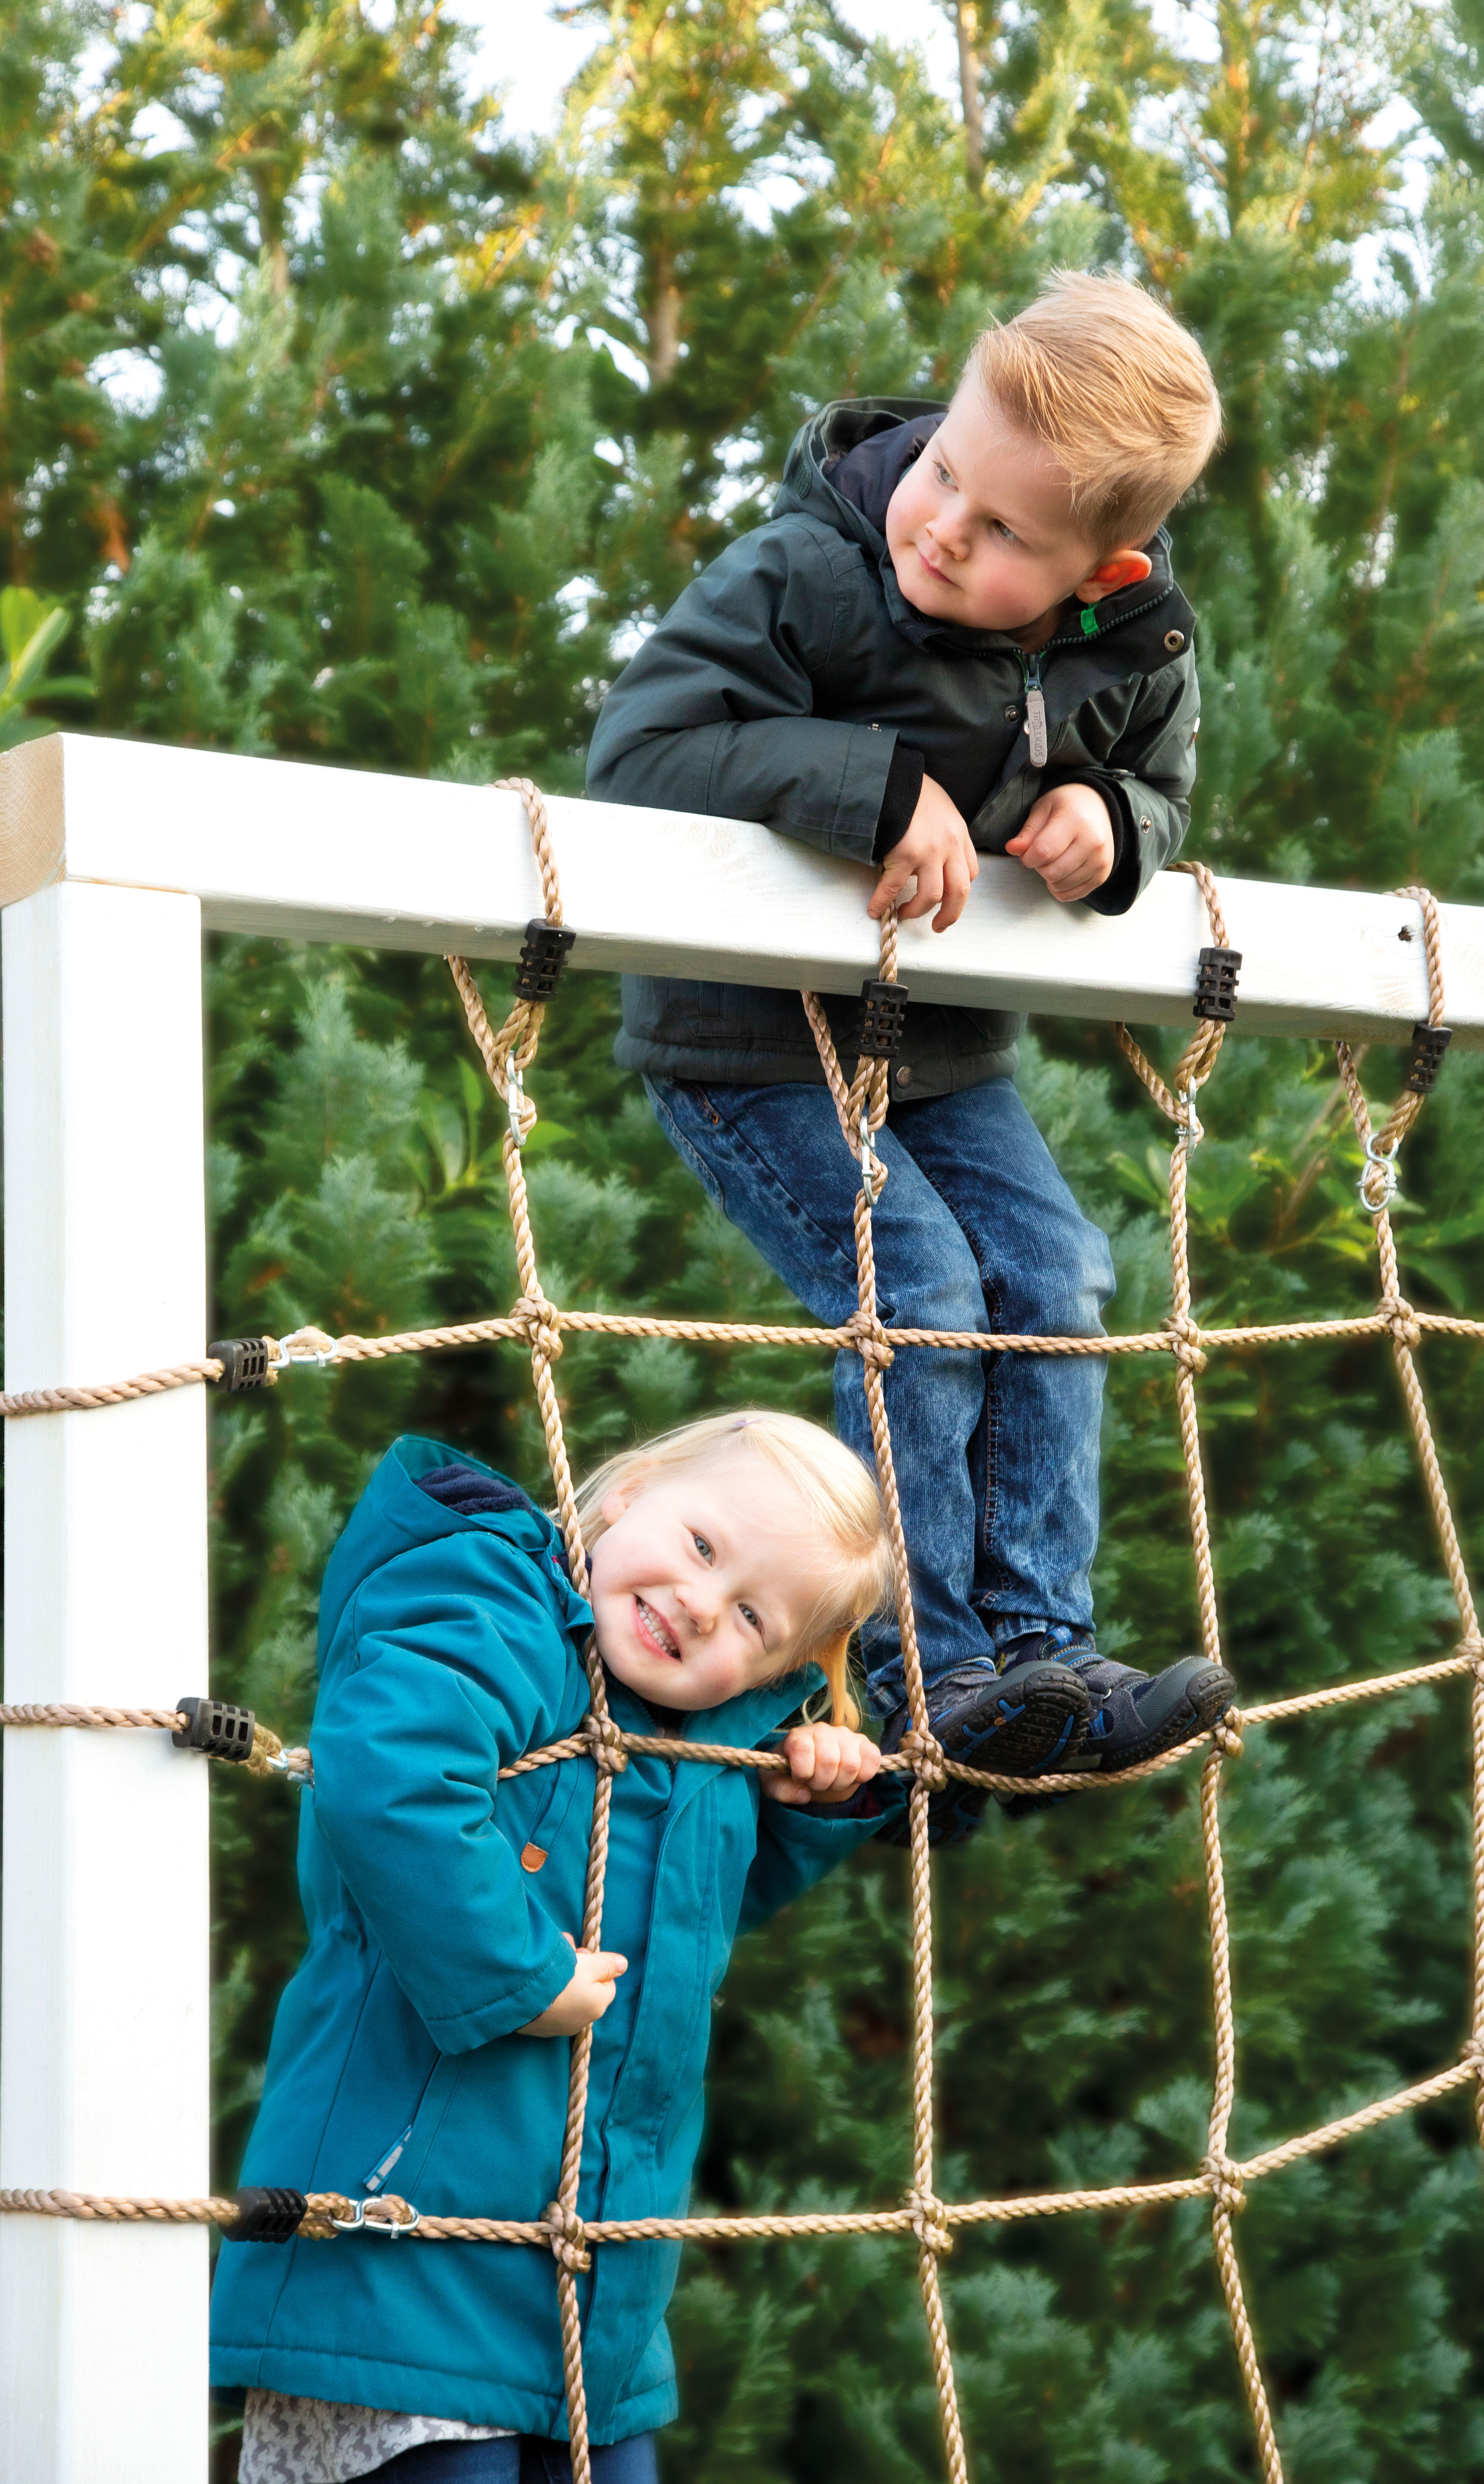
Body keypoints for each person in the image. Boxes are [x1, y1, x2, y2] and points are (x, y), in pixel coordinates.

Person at [587, 272, 1236, 1838]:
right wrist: (871, 783)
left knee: (1058, 1268)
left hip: (942, 1055)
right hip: (748, 1041)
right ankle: (933, 1675)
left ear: (1106, 569)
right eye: (946, 467)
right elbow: (641, 752)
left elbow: (1157, 787)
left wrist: (1114, 826)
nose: (945, 525)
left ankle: (1044, 1656)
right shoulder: (810, 569)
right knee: (923, 1287)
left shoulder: (1136, 652)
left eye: (1007, 532)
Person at [212, 1414, 899, 2480]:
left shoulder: (690, 1740)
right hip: (396, 2278)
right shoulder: (500, 1607)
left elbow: (685, 1918)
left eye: (754, 1621)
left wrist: (798, 1795)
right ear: (627, 1497)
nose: (702, 1605)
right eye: (705, 1547)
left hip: (595, 2305)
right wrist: (518, 1976)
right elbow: (392, 1771)